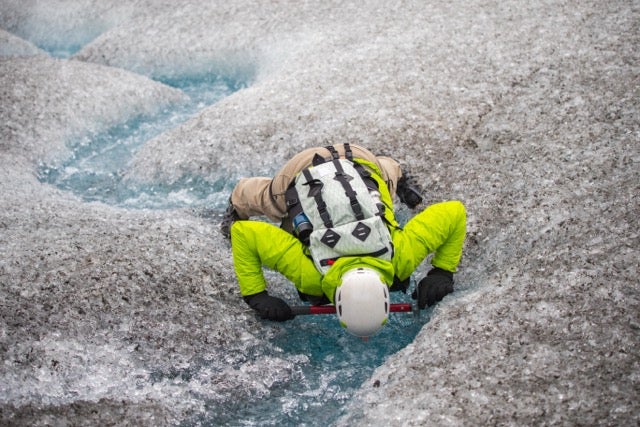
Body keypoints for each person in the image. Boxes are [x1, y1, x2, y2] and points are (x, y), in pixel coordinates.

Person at [222, 143, 466, 337]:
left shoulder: (401, 257)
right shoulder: (309, 274)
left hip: (361, 160)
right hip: (307, 168)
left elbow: (454, 212)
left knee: (382, 185)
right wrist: (255, 295)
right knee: (270, 200)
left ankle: (393, 169)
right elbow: (242, 231)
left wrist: (442, 272)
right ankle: (239, 196)